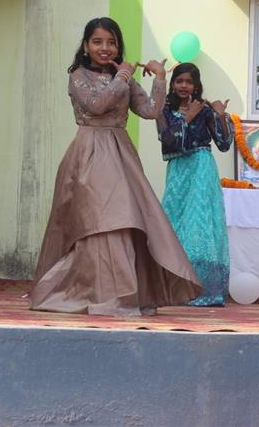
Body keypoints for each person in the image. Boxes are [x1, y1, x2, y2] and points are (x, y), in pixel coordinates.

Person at [29, 17, 202, 316]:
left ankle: (125, 294)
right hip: (89, 152)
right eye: (97, 42)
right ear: (86, 46)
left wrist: (160, 78)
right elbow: (96, 105)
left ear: (118, 46)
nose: (105, 48)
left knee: (126, 218)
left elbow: (150, 111)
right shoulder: (78, 75)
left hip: (121, 154)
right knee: (98, 222)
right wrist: (122, 76)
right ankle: (101, 292)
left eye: (111, 42)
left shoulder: (124, 77)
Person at [157, 62, 233, 306]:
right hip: (178, 170)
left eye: (189, 82)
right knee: (174, 221)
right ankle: (173, 287)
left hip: (201, 167)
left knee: (199, 224)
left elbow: (224, 144)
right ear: (172, 84)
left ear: (196, 85)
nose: (184, 86)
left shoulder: (205, 109)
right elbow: (167, 140)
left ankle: (203, 290)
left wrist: (220, 115)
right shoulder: (164, 109)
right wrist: (187, 117)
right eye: (179, 81)